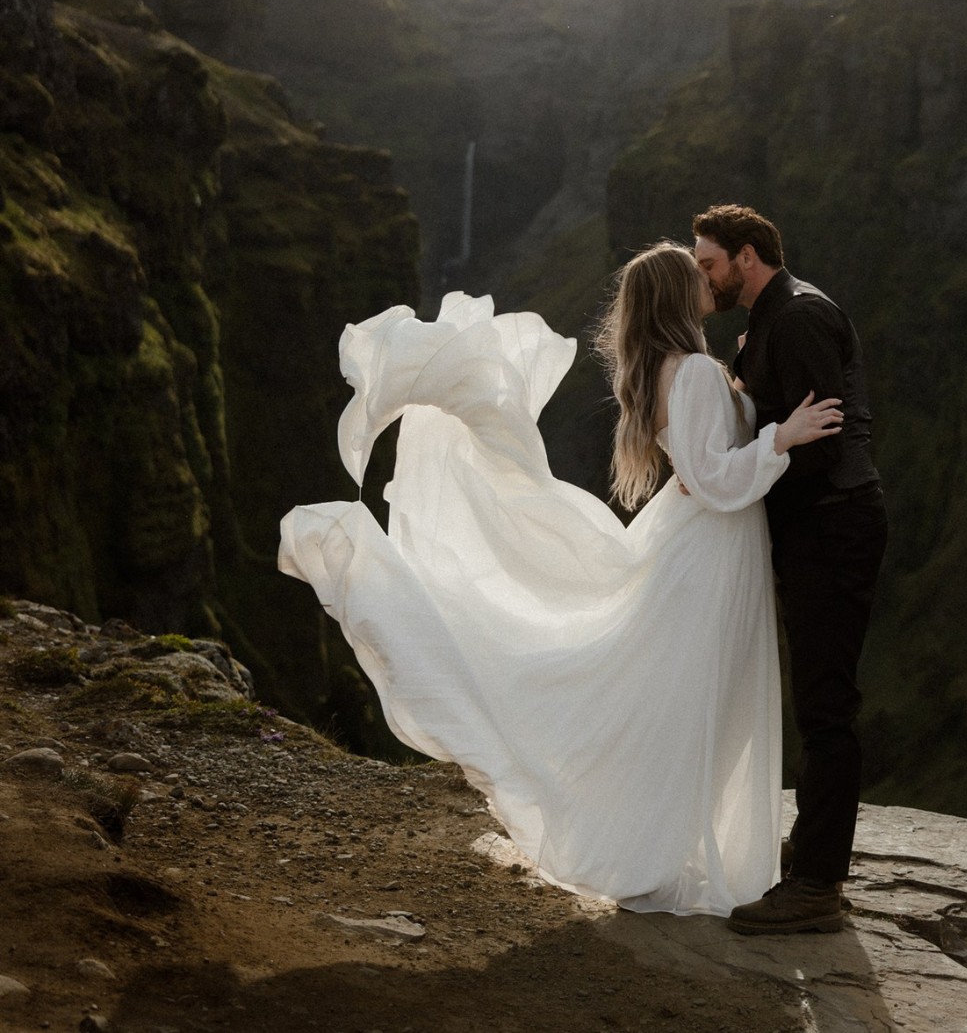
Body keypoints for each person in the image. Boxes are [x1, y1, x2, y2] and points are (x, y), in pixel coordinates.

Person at [279, 244, 841, 916]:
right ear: (673, 296)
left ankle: (680, 838)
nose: (707, 279)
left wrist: (744, 384)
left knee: (692, 701)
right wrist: (782, 438)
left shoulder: (683, 368)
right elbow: (708, 476)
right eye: (695, 274)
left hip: (707, 547)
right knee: (696, 701)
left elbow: (705, 458)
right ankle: (661, 844)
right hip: (710, 553)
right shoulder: (689, 371)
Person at [693, 204, 888, 936]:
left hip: (833, 526)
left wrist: (736, 489)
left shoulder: (798, 318)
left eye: (709, 262)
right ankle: (813, 858)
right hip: (820, 528)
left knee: (826, 704)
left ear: (747, 256)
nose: (703, 276)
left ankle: (816, 887)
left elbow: (818, 444)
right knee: (818, 696)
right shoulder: (775, 319)